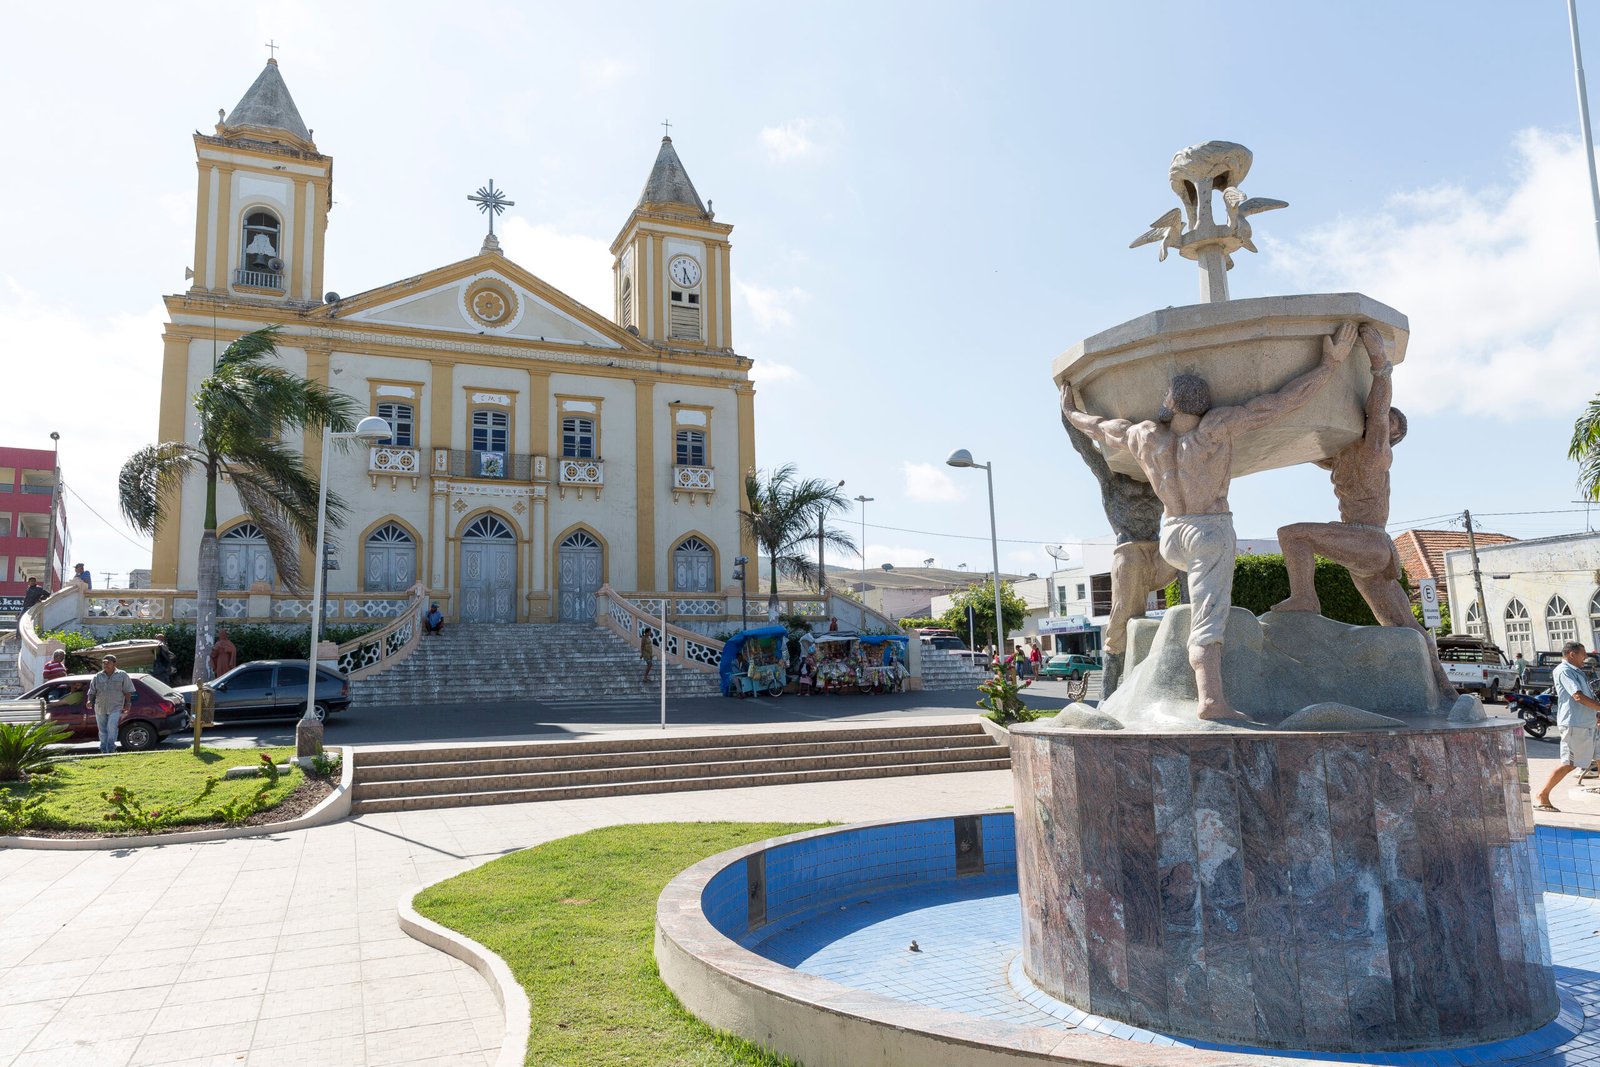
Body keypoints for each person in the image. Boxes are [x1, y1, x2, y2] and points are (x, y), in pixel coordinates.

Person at [1064, 321, 1353, 721]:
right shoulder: (1216, 428)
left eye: (1166, 394)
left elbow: (1098, 428)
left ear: (1172, 402)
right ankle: (1211, 701)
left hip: (1171, 534)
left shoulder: (1147, 435)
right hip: (1208, 530)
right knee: (1207, 620)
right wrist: (1329, 365)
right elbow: (1283, 401)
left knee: (1189, 605)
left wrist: (1071, 410)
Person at [1270, 324, 1457, 698]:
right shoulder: (1341, 456)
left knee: (1293, 534)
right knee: (1402, 624)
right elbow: (1301, 441)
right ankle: (1447, 691)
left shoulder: (1376, 452)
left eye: (1390, 424)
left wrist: (1379, 364)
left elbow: (1378, 403)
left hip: (1368, 540)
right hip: (1364, 549)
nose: (1383, 423)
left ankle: (1305, 596)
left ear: (1391, 435)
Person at [1535, 641, 1600, 811]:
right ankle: (1543, 794)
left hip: (1588, 723)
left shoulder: (1576, 671)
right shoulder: (1564, 671)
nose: (1585, 657)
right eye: (1583, 654)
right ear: (1572, 654)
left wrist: (1597, 714)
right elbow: (1577, 697)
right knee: (1569, 763)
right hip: (1575, 724)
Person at [87, 654, 135, 755]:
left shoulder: (122, 675)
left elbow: (127, 691)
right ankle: (104, 749)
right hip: (100, 706)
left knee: (111, 726)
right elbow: (92, 691)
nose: (105, 665)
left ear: (114, 663)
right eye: (104, 663)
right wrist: (89, 701)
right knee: (102, 729)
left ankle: (111, 747)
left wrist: (128, 704)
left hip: (116, 706)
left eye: (108, 663)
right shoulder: (98, 676)